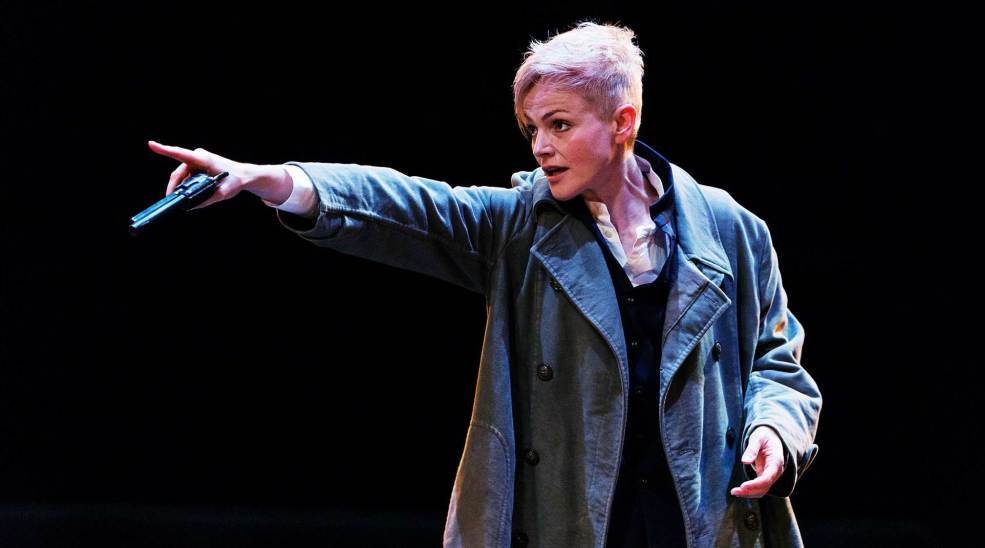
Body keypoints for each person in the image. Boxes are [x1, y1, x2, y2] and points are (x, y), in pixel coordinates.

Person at [149, 21, 821, 548]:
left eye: (560, 125)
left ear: (623, 123)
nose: (540, 146)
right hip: (570, 517)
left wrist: (773, 430)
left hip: (697, 517)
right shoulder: (521, 227)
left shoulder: (731, 230)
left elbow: (776, 360)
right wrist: (271, 180)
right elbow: (405, 205)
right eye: (533, 128)